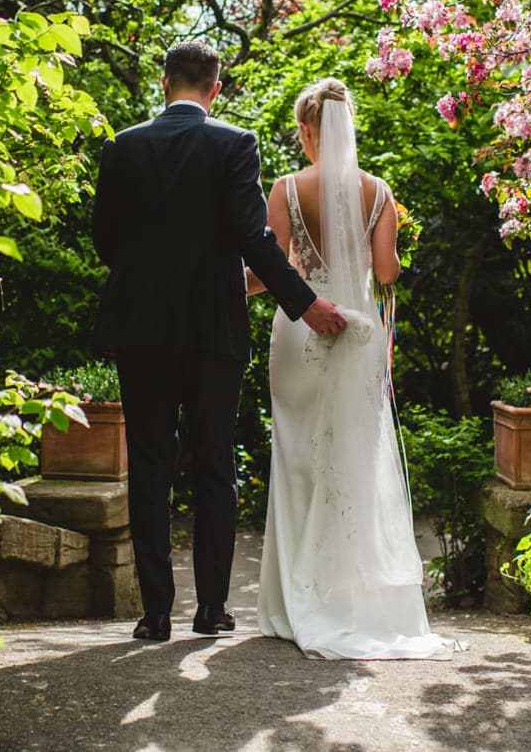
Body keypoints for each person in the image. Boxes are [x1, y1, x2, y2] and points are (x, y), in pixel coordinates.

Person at [91, 41, 348, 644]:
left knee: (149, 464)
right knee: (214, 464)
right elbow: (254, 240)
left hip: (141, 328)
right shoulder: (235, 144)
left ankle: (155, 614)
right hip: (213, 327)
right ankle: (211, 610)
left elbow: (107, 239)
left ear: (164, 83)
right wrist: (305, 304)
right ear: (216, 88)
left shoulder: (122, 146)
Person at [250, 78, 456, 660]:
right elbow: (386, 273)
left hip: (300, 331)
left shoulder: (287, 187)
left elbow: (268, 272)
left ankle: (294, 603)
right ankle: (347, 600)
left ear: (308, 129)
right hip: (359, 335)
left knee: (296, 461)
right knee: (352, 462)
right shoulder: (379, 191)